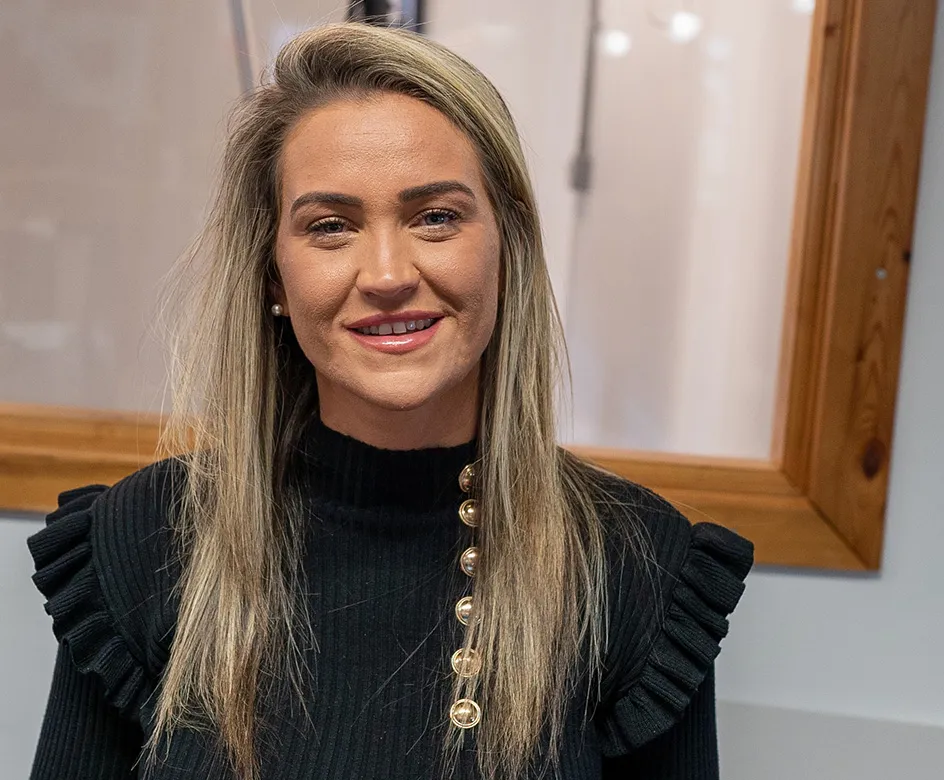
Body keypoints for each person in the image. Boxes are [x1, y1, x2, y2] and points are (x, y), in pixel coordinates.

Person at [26, 21, 753, 780]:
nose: (385, 274)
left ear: (507, 242)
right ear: (274, 275)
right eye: (330, 226)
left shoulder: (638, 567)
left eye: (435, 216)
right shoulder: (140, 542)